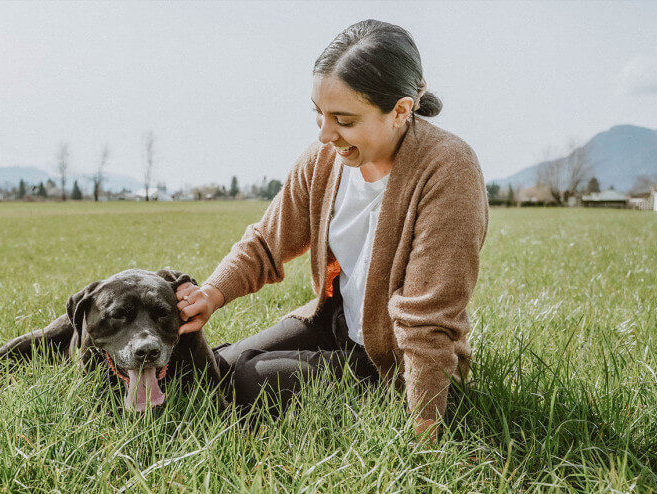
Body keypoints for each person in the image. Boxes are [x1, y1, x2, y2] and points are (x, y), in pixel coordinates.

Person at [175, 19, 488, 440]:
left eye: (343, 119)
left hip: (391, 360)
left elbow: (427, 318)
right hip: (333, 326)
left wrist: (425, 427)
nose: (325, 135)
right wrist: (210, 294)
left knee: (246, 381)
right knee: (214, 366)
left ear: (400, 110)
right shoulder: (324, 162)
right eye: (319, 114)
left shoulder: (448, 170)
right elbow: (267, 241)